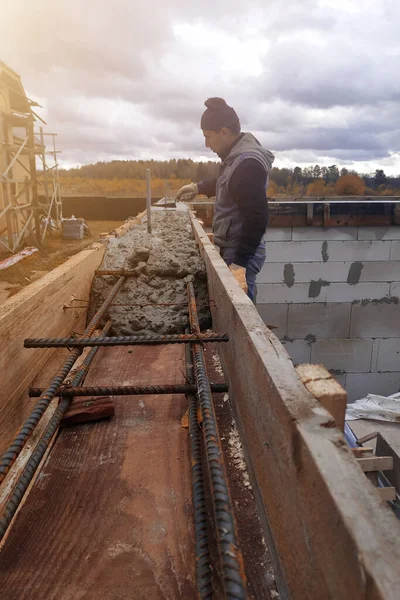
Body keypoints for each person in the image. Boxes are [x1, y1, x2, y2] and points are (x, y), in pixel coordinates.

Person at [176, 97, 274, 302]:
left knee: (240, 309)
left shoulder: (247, 163)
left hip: (240, 254)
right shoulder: (236, 157)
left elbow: (257, 218)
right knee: (236, 304)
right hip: (235, 249)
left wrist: (239, 264)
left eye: (208, 137)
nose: (206, 144)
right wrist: (198, 187)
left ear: (224, 131)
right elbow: (228, 182)